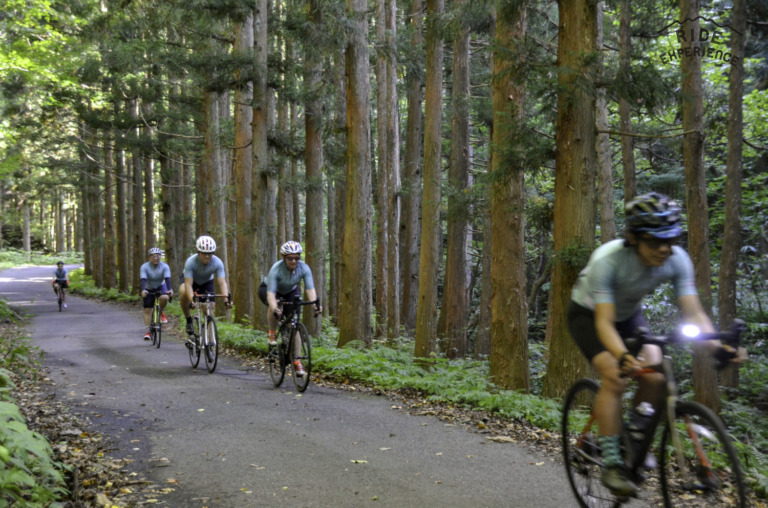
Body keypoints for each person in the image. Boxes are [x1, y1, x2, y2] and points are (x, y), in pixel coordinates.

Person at [568, 192, 746, 496]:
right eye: (654, 241)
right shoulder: (607, 260)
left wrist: (717, 346)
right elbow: (604, 323)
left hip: (628, 315)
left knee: (655, 375)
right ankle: (612, 463)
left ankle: (634, 439)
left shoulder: (677, 260)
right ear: (634, 238)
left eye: (671, 240)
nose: (664, 249)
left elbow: (694, 312)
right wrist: (622, 356)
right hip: (590, 315)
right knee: (615, 376)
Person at [260, 241, 321, 377]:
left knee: (294, 323)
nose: (294, 261)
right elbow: (271, 294)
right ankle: (272, 333)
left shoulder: (304, 268)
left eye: (297, 258)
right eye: (290, 258)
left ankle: (297, 360)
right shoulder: (276, 269)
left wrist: (314, 304)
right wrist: (275, 308)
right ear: (284, 258)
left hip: (291, 291)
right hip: (270, 290)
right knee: (275, 304)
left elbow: (310, 289)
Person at [179, 235, 231, 345]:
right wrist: (192, 300)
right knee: (183, 291)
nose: (207, 256)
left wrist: (226, 300)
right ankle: (188, 320)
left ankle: (210, 340)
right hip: (191, 281)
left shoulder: (217, 262)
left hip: (207, 282)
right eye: (204, 253)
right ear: (198, 252)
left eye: (210, 253)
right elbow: (188, 284)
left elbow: (222, 283)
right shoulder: (190, 262)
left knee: (209, 309)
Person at [139, 247, 173, 341]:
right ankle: (148, 331)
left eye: (157, 256)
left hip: (161, 286)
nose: (155, 258)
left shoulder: (165, 266)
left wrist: (170, 289)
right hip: (149, 287)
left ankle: (161, 311)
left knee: (165, 297)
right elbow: (143, 279)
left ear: (160, 256)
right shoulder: (145, 267)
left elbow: (167, 279)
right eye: (153, 256)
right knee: (148, 310)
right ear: (149, 258)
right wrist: (143, 290)